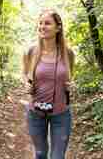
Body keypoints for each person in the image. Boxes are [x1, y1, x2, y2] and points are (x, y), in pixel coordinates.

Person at [22, 9, 75, 159]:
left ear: (58, 28)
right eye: (40, 23)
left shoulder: (68, 53)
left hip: (61, 114)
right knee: (40, 154)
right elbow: (25, 75)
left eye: (47, 23)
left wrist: (72, 86)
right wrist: (27, 84)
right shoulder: (30, 52)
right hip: (35, 113)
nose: (42, 26)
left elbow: (69, 77)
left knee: (58, 156)